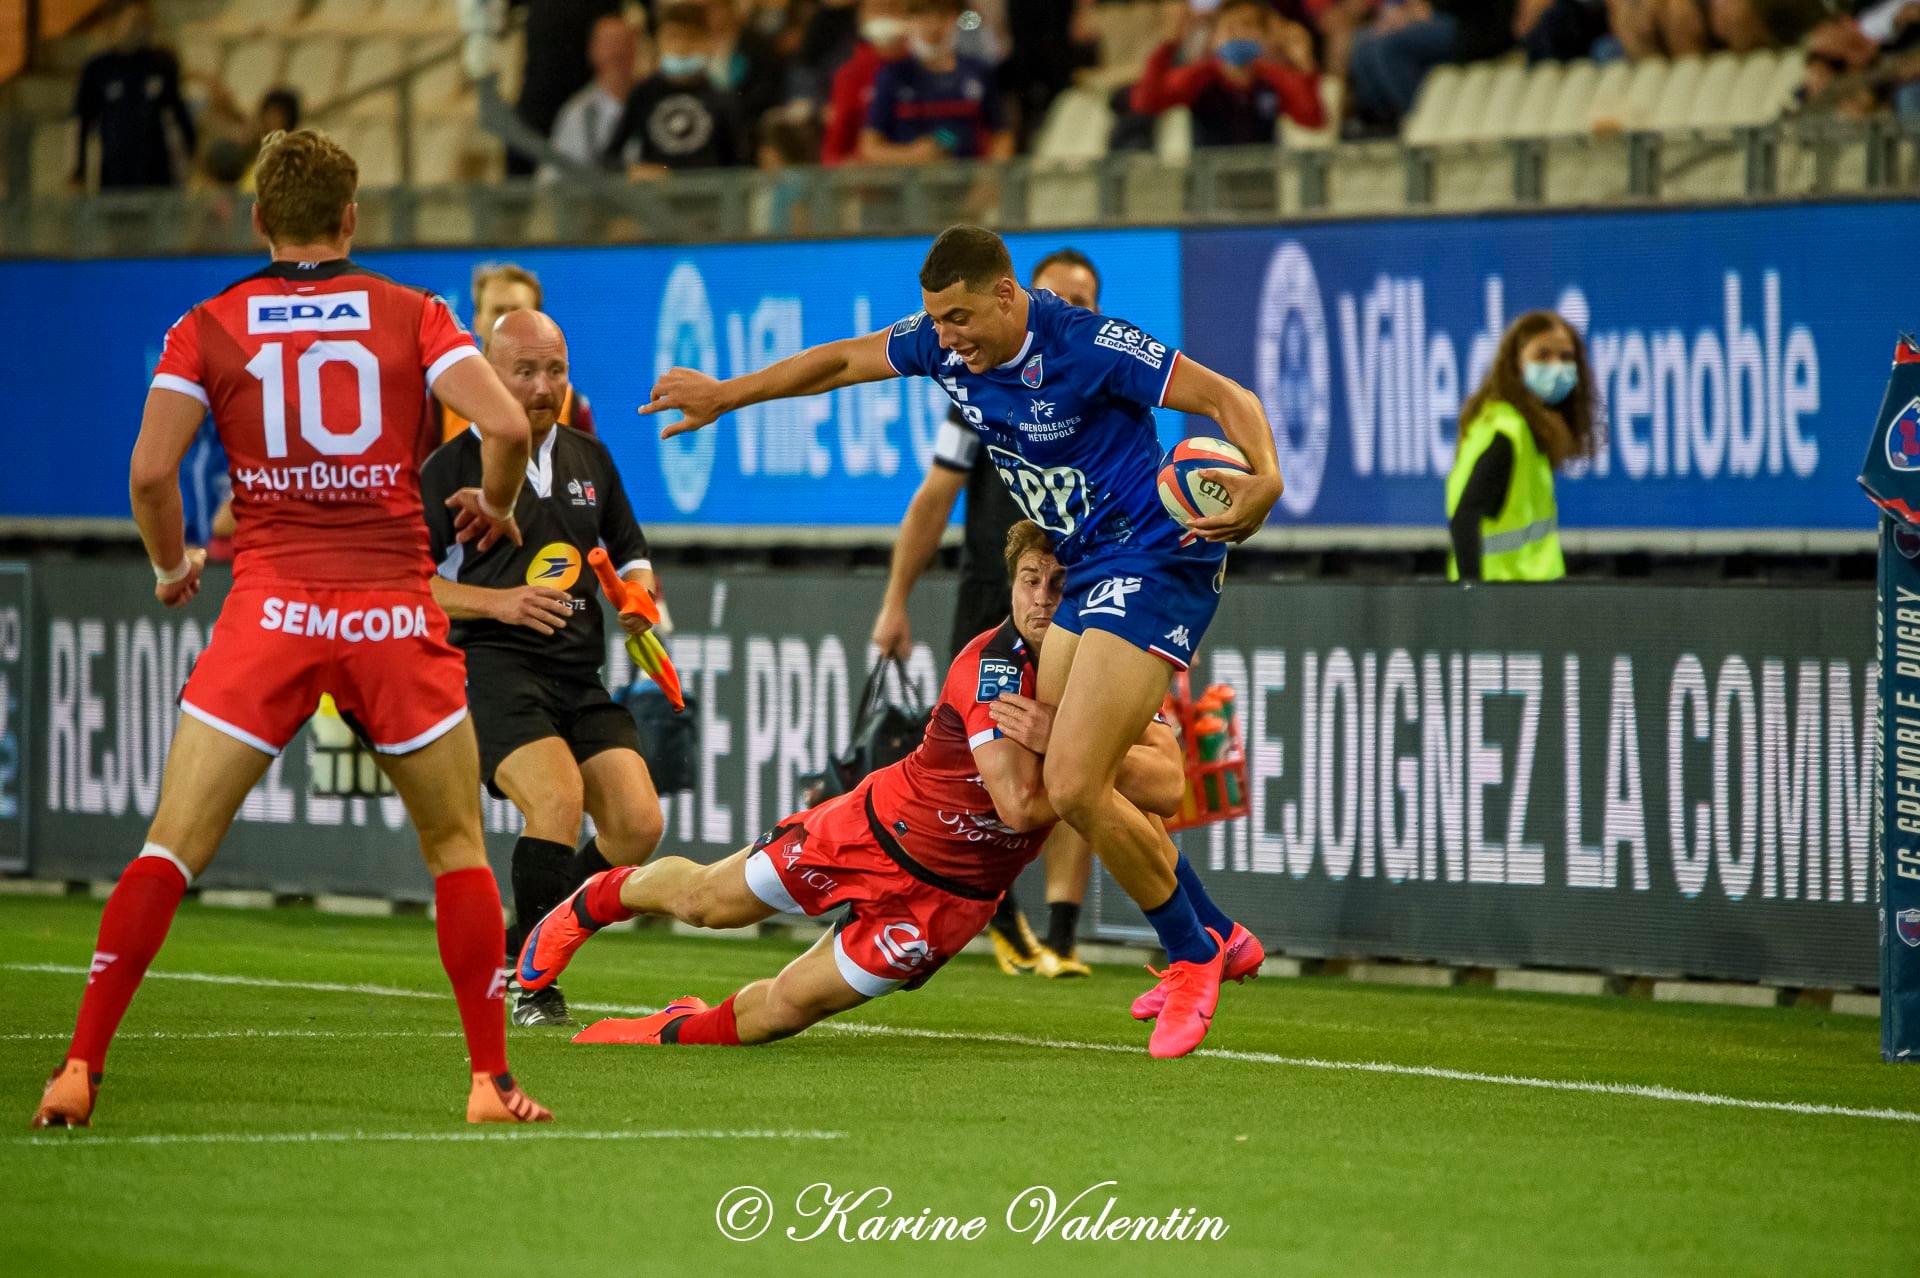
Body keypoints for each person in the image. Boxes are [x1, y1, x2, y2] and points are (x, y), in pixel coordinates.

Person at [641, 225, 1281, 1058]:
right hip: (1082, 567)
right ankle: (1221, 932)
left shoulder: (1088, 343)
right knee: (1069, 769)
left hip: (1156, 554)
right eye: (936, 322)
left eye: (959, 319)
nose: (946, 338)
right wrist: (730, 394)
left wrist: (1263, 479)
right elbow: (839, 362)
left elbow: (1225, 396)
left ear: (1007, 298)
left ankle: (1192, 955)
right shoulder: (948, 352)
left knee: (1076, 781)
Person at [32, 128, 550, 1128]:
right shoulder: (413, 314)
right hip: (393, 608)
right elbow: (512, 426)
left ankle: (80, 1065)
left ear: (259, 220)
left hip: (269, 604)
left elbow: (149, 476)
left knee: (170, 849)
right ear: (351, 218)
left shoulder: (209, 324)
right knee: (455, 849)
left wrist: (173, 562)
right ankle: (490, 1080)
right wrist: (493, 504)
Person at [516, 522, 1186, 1047]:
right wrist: (1089, 748)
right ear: (1010, 585)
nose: (1042, 599)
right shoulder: (991, 667)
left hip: (952, 901)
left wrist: (1068, 738)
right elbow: (1019, 805)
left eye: (1060, 584)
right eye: (1030, 580)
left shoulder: (1108, 666)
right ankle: (592, 900)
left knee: (781, 1013)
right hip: (870, 834)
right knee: (704, 904)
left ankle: (669, 1028)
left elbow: (1169, 783)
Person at [422, 310, 666, 1027]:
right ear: (487, 376)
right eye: (523, 371)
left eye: (554, 370)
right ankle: (535, 982)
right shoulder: (451, 469)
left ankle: (518, 944)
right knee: (556, 800)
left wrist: (638, 602)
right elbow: (409, 583)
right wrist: (498, 605)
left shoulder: (590, 458)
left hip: (577, 671)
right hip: (490, 667)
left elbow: (633, 556)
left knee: (638, 825)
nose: (541, 386)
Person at [870, 246, 1103, 979]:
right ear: (1018, 298)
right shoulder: (973, 385)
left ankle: (1062, 933)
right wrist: (895, 600)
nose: (1071, 309)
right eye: (1058, 295)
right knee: (1004, 763)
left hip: (1088, 592)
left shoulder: (1105, 381)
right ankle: (998, 914)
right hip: (998, 596)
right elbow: (935, 495)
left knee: (1078, 749)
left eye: (1084, 299)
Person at [1445, 310, 1599, 582]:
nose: (1556, 367)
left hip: (1529, 599)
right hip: (1503, 600)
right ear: (1515, 364)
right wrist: (1472, 597)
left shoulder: (1526, 430)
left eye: (1565, 357)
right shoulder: (1507, 435)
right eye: (1542, 355)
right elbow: (1466, 515)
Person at [432, 263, 596, 451]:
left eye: (517, 311)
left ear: (538, 321)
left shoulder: (570, 405)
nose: (506, 321)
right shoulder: (443, 402)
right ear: (476, 321)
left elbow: (588, 475)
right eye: (498, 311)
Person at [1130, 0, 1325, 148]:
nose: (1237, 33)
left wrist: (1305, 66)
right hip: (1207, 191)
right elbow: (1146, 103)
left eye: (1247, 25)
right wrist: (1168, 44)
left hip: (1260, 191)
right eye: (1229, 27)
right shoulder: (1200, 76)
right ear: (1214, 37)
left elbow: (1312, 119)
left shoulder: (1272, 78)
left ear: (1264, 36)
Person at [860, 0, 1014, 165]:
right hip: (911, 185)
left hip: (967, 179)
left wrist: (990, 180)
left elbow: (1002, 135)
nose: (933, 25)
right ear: (909, 20)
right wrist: (911, 155)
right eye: (922, 14)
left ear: (954, 17)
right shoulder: (893, 75)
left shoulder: (977, 72)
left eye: (941, 14)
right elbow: (869, 147)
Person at [606, 4, 749, 174]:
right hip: (655, 196)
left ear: (707, 42)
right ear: (658, 41)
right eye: (673, 37)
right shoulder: (644, 93)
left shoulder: (722, 97)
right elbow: (609, 157)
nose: (682, 47)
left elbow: (740, 165)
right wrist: (634, 171)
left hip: (708, 197)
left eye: (691, 37)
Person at [70, 0, 196, 190]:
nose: (142, 30)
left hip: (157, 176)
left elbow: (179, 115)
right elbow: (81, 123)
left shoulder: (161, 64)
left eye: (146, 23)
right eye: (135, 23)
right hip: (114, 177)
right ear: (115, 23)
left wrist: (190, 156)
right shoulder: (98, 69)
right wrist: (78, 172)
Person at [1347, 1, 1516, 134]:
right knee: (1363, 45)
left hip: (1477, 25)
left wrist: (1424, 9)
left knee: (1389, 49)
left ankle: (1419, 120)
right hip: (1441, 17)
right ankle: (1379, 120)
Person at [543, 15, 640, 176]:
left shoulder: (650, 102)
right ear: (593, 51)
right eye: (609, 44)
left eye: (623, 43)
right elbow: (552, 178)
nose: (617, 52)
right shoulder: (578, 113)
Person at [820, 0, 910, 165]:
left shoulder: (931, 68)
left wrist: (941, 142)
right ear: (862, 17)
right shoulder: (849, 75)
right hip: (868, 179)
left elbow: (953, 129)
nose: (886, 17)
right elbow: (833, 153)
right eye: (878, 9)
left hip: (932, 175)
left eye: (893, 8)